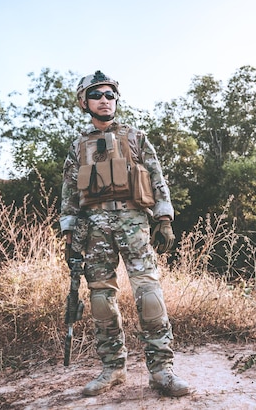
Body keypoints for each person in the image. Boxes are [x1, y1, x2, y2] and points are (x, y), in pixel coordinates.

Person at [59, 70, 190, 397]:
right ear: (84, 102)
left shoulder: (136, 137)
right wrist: (69, 236)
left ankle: (162, 371)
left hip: (134, 222)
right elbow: (69, 195)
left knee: (148, 293)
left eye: (110, 95)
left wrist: (164, 218)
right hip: (95, 229)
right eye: (97, 95)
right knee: (101, 298)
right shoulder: (78, 146)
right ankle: (113, 369)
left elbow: (157, 177)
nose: (105, 100)